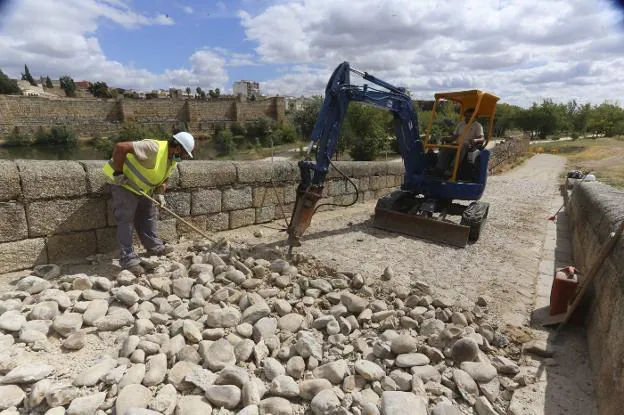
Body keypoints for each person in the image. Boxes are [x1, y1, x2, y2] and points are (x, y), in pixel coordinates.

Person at [102, 131, 195, 275]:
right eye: (184, 154)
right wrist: (119, 174)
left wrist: (159, 193)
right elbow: (121, 147)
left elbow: (165, 177)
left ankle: (154, 246)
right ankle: (128, 259)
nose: (183, 157)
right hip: (124, 183)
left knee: (149, 214)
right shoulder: (153, 148)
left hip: (142, 188)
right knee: (126, 218)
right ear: (178, 148)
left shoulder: (173, 159)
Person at [435, 108, 484, 178]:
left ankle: (452, 169)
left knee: (462, 147)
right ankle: (440, 168)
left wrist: (475, 140)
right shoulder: (461, 124)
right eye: (467, 116)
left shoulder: (478, 126)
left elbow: (482, 138)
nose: (468, 117)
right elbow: (454, 136)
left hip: (469, 145)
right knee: (445, 147)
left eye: (470, 116)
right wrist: (447, 138)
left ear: (475, 117)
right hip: (457, 144)